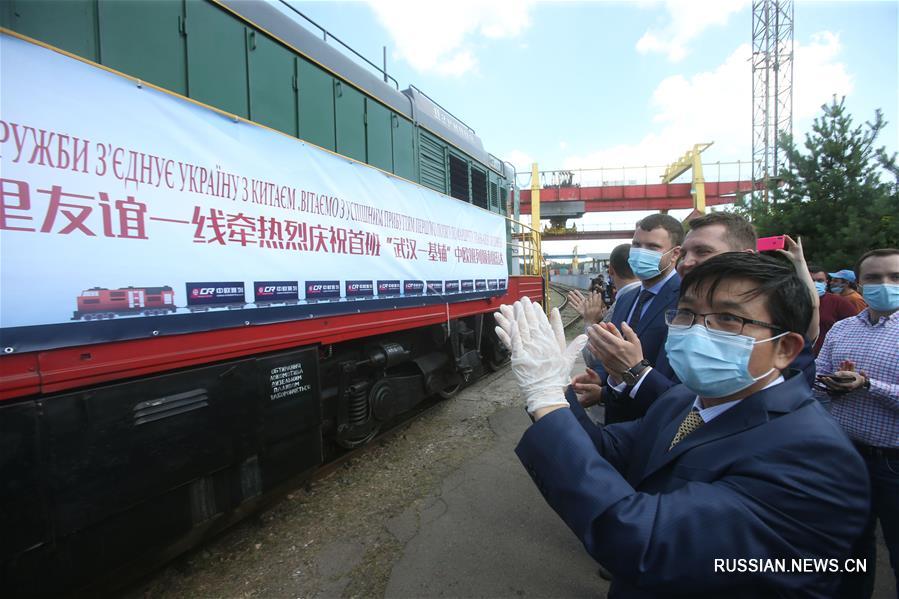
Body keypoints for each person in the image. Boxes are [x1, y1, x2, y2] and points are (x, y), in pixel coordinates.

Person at [496, 254, 869, 598]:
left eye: (728, 319)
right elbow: (608, 452)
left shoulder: (814, 455)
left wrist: (545, 399)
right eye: (686, 314)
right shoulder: (682, 400)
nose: (697, 331)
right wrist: (557, 391)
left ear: (785, 348)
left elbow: (650, 545)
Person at [578, 212, 820, 416]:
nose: (685, 263)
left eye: (702, 252)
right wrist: (603, 382)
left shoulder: (772, 324)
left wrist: (636, 373)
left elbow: (705, 412)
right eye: (686, 254)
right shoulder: (645, 299)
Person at [816, 248, 899, 598]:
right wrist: (830, 386)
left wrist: (868, 385)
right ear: (859, 283)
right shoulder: (843, 329)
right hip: (847, 458)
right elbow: (817, 380)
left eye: (894, 278)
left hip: (894, 463)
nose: (885, 285)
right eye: (875, 278)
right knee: (849, 551)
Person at [583, 214, 684, 423]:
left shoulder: (686, 299)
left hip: (654, 420)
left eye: (652, 247)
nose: (641, 253)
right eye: (636, 245)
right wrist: (600, 378)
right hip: (616, 421)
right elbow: (614, 353)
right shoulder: (628, 297)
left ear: (674, 254)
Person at [808, 264, 857, 356]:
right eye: (811, 280)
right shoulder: (791, 302)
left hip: (826, 356)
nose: (814, 284)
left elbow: (854, 331)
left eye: (820, 281)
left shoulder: (840, 303)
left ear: (826, 282)